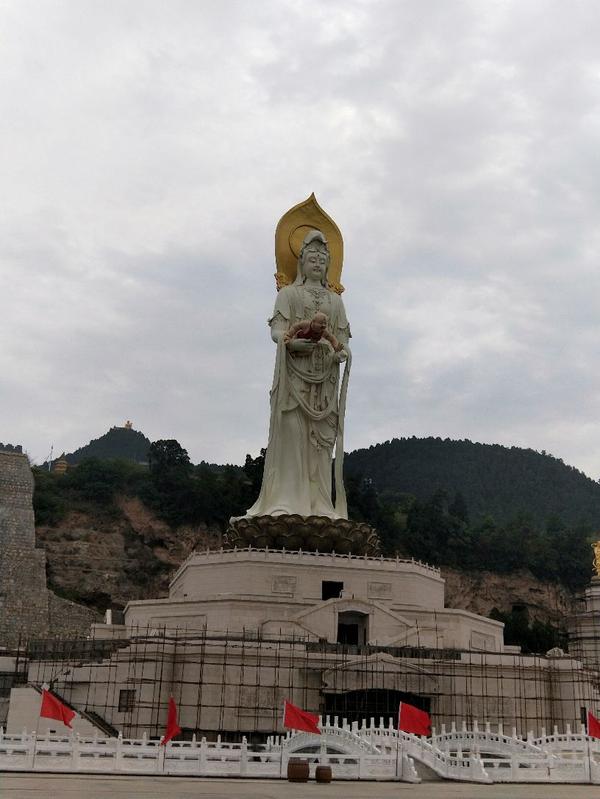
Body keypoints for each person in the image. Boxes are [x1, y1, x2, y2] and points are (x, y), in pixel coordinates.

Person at [246, 230, 351, 519]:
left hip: (323, 385)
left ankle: (319, 505)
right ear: (300, 261)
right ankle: (287, 501)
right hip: (294, 380)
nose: (317, 262)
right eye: (312, 256)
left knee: (320, 443)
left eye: (322, 257)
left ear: (329, 263)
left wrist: (341, 353)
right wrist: (291, 343)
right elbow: (277, 331)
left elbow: (342, 339)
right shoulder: (288, 294)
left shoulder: (336, 302)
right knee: (292, 435)